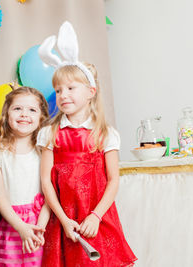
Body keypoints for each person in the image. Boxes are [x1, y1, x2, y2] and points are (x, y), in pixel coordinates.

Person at [37, 22, 137, 266]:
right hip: (65, 220)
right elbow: (46, 183)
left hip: (97, 217)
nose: (63, 95)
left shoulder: (105, 133)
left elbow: (113, 180)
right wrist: (62, 219)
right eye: (58, 90)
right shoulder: (50, 133)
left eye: (71, 88)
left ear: (91, 91)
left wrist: (95, 216)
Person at [0, 86, 51, 266]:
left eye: (32, 110)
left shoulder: (44, 151)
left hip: (41, 226)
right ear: (7, 114)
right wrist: (22, 228)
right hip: (11, 225)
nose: (24, 114)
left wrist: (40, 228)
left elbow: (50, 195)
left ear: (41, 117)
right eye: (17, 109)